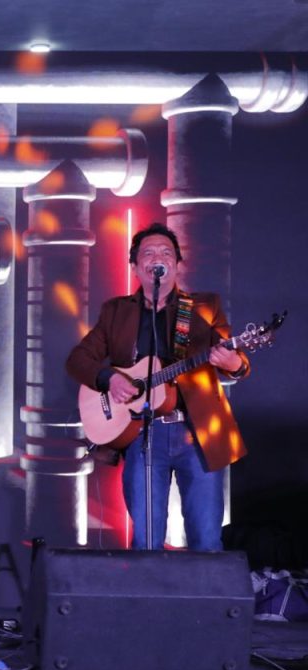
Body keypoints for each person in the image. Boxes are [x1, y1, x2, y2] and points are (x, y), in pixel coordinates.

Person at [66, 223, 249, 551]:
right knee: (146, 541)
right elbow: (78, 360)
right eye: (148, 253)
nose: (158, 258)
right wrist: (110, 379)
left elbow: (236, 362)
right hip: (142, 434)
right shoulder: (116, 312)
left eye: (166, 253)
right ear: (135, 267)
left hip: (198, 433)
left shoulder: (204, 306)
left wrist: (234, 363)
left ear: (177, 265)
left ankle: (203, 588)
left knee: (207, 539)